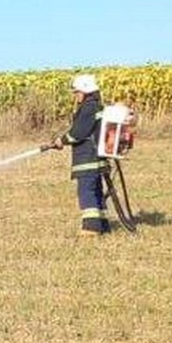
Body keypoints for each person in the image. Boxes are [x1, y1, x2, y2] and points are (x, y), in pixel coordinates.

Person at [50, 73, 109, 236]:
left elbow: (78, 133)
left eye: (77, 92)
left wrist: (62, 140)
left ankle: (91, 228)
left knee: (86, 191)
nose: (75, 95)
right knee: (96, 191)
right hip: (98, 157)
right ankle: (102, 225)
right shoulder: (98, 106)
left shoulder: (88, 108)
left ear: (85, 91)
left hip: (87, 158)